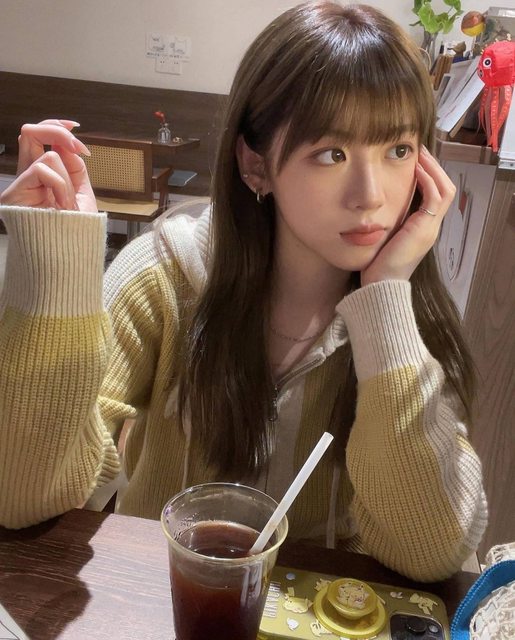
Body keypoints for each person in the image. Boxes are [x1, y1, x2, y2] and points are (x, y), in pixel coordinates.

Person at [0, 1, 487, 582]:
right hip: (166, 597)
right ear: (255, 165)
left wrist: (384, 299)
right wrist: (56, 276)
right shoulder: (166, 276)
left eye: (397, 151)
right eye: (331, 154)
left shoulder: (409, 315)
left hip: (331, 612)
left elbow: (431, 550)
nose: (371, 195)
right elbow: (21, 496)